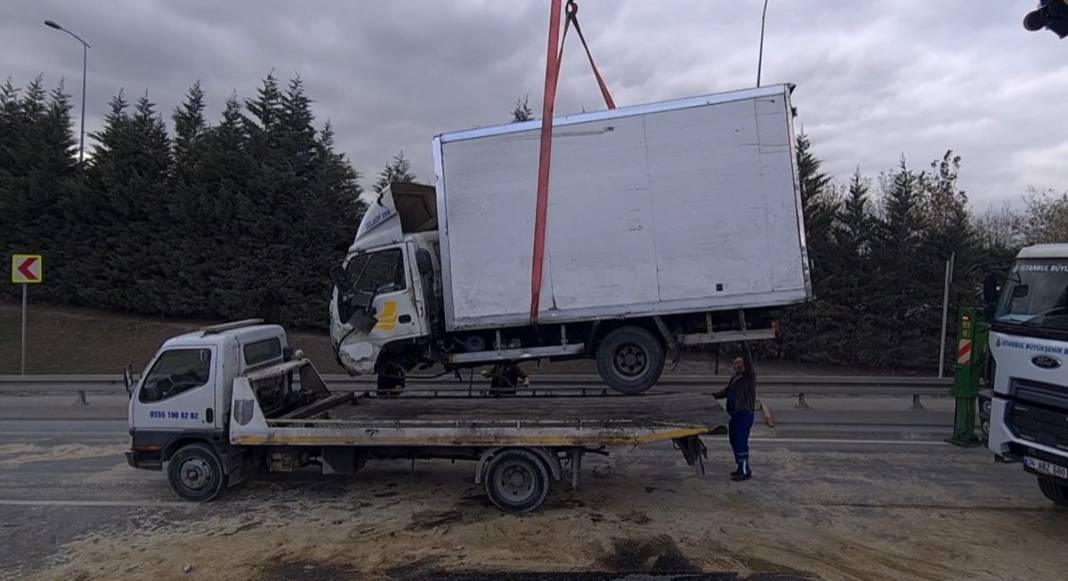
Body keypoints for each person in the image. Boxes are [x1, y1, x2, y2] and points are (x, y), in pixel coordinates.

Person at [713, 355, 756, 481]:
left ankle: (744, 471)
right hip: (733, 414)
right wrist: (712, 396)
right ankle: (741, 467)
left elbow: (749, 360)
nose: (736, 365)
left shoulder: (749, 377)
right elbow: (726, 391)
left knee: (741, 441)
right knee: (734, 440)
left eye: (739, 363)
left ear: (745, 365)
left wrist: (743, 340)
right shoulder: (734, 378)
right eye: (734, 363)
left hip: (744, 414)